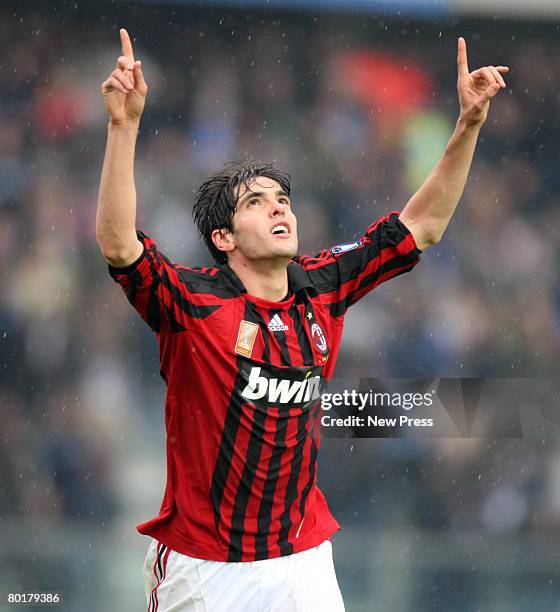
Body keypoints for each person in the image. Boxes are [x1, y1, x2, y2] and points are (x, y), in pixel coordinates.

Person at [96, 28, 508, 612]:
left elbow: (425, 226)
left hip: (302, 561)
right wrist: (123, 125)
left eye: (282, 198)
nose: (279, 206)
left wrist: (466, 126)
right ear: (223, 238)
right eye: (256, 202)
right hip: (207, 569)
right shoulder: (193, 303)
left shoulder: (323, 285)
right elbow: (118, 245)